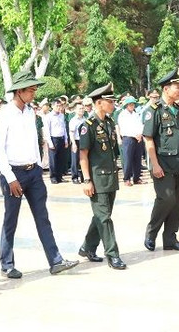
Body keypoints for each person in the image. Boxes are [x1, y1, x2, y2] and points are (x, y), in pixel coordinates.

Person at [0, 70, 78, 278]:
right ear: (19, 91)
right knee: (10, 220)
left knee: (43, 217)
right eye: (31, 90)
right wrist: (10, 178)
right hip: (13, 174)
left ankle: (55, 260)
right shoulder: (3, 115)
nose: (34, 93)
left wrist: (39, 167)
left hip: (33, 173)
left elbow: (33, 142)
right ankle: (7, 264)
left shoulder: (31, 112)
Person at [142, 70, 179, 252]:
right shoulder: (154, 111)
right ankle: (151, 231)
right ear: (166, 88)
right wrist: (154, 164)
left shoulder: (178, 110)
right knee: (166, 198)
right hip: (162, 163)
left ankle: (170, 238)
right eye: (176, 87)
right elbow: (148, 139)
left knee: (177, 202)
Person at [79, 83, 126, 269]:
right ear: (99, 103)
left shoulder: (109, 123)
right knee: (104, 218)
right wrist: (87, 180)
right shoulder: (87, 126)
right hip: (97, 178)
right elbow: (83, 154)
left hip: (110, 176)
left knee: (101, 215)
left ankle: (87, 247)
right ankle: (113, 254)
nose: (113, 104)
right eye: (109, 101)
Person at [117, 95, 144, 186]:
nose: (132, 106)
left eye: (133, 104)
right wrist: (134, 135)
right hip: (128, 138)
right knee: (128, 159)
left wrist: (140, 134)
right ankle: (126, 178)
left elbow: (140, 125)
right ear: (126, 105)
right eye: (130, 104)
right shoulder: (122, 115)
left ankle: (136, 178)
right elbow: (124, 128)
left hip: (138, 138)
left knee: (137, 158)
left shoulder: (136, 114)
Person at [44, 98, 69, 183]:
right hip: (53, 139)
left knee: (60, 159)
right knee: (53, 159)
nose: (59, 107)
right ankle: (53, 177)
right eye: (57, 106)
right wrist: (50, 142)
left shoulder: (61, 116)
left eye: (60, 106)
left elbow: (64, 128)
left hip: (61, 138)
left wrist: (66, 140)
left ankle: (59, 176)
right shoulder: (48, 116)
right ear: (52, 106)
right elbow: (47, 130)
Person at [68, 98, 89, 184]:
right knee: (75, 160)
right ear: (75, 110)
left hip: (84, 141)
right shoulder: (73, 120)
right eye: (79, 109)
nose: (81, 110)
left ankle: (84, 176)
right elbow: (71, 132)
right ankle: (75, 177)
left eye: (82, 108)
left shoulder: (85, 119)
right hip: (76, 141)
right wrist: (73, 143)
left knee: (84, 159)